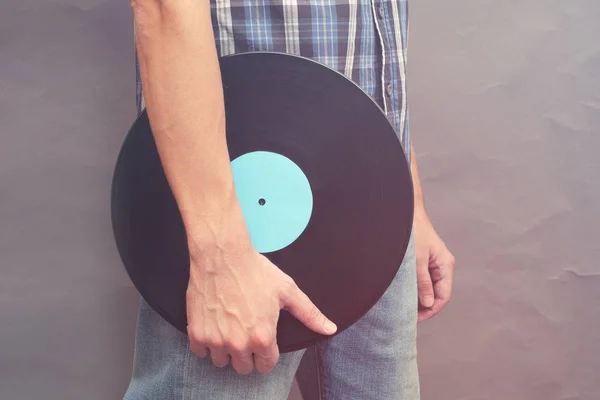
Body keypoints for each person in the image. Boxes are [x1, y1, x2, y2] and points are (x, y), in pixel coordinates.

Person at [124, 0, 455, 398]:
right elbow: (165, 9)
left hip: (376, 217)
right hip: (241, 231)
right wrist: (218, 256)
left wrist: (408, 199)